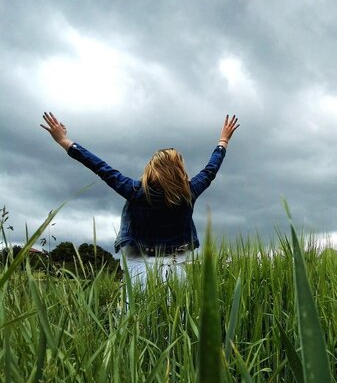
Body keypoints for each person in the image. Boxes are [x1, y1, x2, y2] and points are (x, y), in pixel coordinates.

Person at [40, 111, 239, 284]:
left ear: (151, 170)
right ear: (179, 170)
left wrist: (65, 141)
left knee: (135, 318)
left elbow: (101, 168)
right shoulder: (189, 191)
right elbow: (211, 169)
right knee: (176, 320)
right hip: (177, 264)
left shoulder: (135, 191)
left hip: (139, 264)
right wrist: (223, 141)